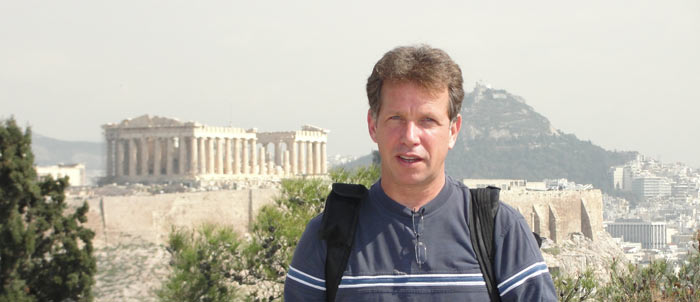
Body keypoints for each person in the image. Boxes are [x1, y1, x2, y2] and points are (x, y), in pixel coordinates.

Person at [284, 45, 557, 301]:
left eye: (428, 120)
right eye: (396, 118)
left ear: (452, 131)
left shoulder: (500, 230)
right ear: (372, 125)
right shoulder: (327, 235)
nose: (410, 137)